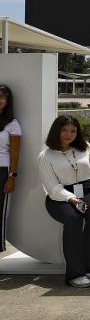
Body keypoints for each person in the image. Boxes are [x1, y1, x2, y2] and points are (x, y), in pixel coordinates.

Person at [36, 115, 90, 288]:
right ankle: (75, 274)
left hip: (88, 189)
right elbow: (52, 188)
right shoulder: (45, 156)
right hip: (60, 195)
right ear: (56, 131)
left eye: (73, 131)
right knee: (74, 219)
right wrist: (72, 199)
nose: (69, 134)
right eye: (64, 130)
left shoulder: (84, 147)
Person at [0, 84, 22, 252]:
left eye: (2, 97)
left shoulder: (12, 124)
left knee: (0, 213)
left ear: (7, 101)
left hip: (3, 171)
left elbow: (15, 152)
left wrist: (12, 176)